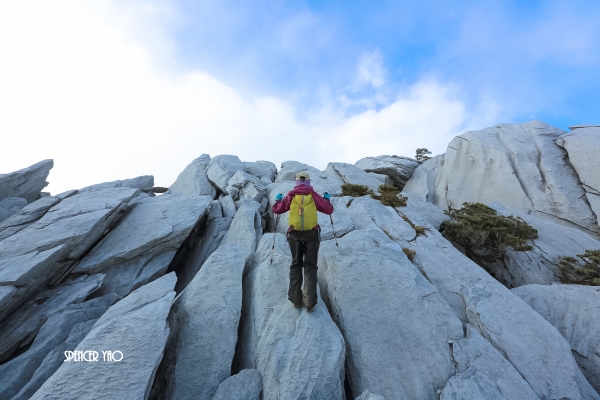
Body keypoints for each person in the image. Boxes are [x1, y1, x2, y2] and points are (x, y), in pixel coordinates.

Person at [272, 171, 333, 312]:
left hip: (294, 234)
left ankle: (295, 299)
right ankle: (310, 302)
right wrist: (327, 199)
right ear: (309, 182)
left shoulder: (291, 196)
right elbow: (328, 210)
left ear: (297, 183)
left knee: (295, 264)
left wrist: (277, 200)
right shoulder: (313, 195)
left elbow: (277, 210)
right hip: (312, 234)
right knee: (310, 265)